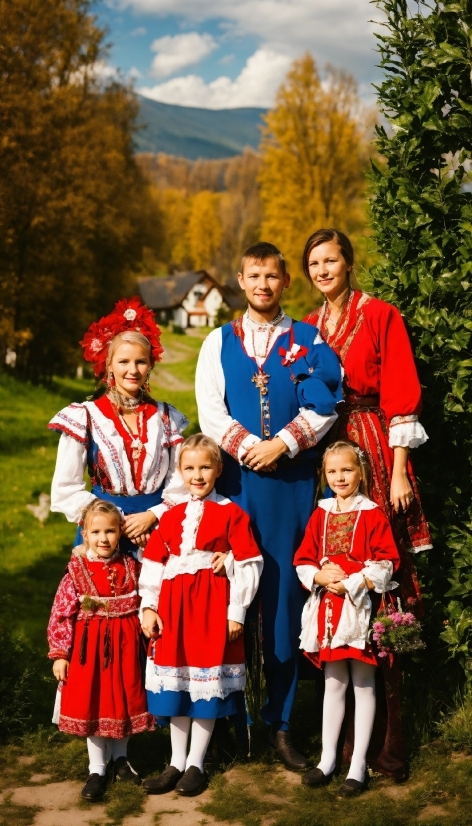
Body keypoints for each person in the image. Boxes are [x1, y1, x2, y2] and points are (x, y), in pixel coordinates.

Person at [195, 242, 342, 770]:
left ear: (285, 282)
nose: (263, 284)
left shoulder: (308, 338)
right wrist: (245, 448)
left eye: (272, 276)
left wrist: (283, 443)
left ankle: (280, 724)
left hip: (292, 485)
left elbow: (327, 400)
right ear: (240, 279)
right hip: (235, 486)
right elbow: (210, 411)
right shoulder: (217, 341)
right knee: (228, 597)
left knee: (283, 601)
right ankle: (226, 723)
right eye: (254, 275)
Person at [302, 227, 432, 778]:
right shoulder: (306, 328)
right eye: (314, 263)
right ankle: (336, 739)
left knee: (384, 581)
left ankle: (386, 742)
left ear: (350, 263)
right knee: (336, 567)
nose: (323, 271)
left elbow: (402, 391)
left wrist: (400, 471)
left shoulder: (381, 315)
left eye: (331, 260)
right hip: (327, 450)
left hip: (376, 447)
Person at [138, 434, 263, 796]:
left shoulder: (231, 513)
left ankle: (196, 762)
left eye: (205, 467)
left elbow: (251, 562)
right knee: (177, 687)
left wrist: (236, 611)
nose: (197, 475)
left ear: (218, 470)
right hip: (174, 611)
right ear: (179, 471)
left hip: (210, 609)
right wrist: (148, 606)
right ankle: (176, 762)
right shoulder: (171, 515)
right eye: (189, 467)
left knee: (205, 687)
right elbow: (153, 564)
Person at [294, 441, 400, 796]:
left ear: (361, 473)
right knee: (333, 684)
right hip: (328, 612)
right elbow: (304, 558)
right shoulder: (320, 513)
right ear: (325, 475)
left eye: (347, 470)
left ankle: (357, 766)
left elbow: (387, 562)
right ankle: (327, 760)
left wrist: (352, 581)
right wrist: (321, 578)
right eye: (333, 471)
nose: (340, 477)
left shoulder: (372, 513)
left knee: (364, 684)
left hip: (358, 611)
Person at [48, 296, 188, 553]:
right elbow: (66, 488)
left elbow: (180, 480)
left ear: (150, 365)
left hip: (157, 533)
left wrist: (154, 515)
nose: (132, 370)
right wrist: (116, 520)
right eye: (123, 361)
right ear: (109, 365)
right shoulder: (86, 417)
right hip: (104, 537)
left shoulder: (166, 418)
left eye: (140, 361)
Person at [47, 499, 153, 802]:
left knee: (125, 697)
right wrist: (60, 654)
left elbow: (148, 601)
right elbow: (61, 613)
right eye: (95, 532)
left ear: (120, 532)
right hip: (89, 650)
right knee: (93, 701)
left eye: (109, 531)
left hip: (126, 647)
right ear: (84, 533)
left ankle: (121, 758)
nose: (103, 538)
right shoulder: (76, 570)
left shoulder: (132, 567)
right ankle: (97, 768)